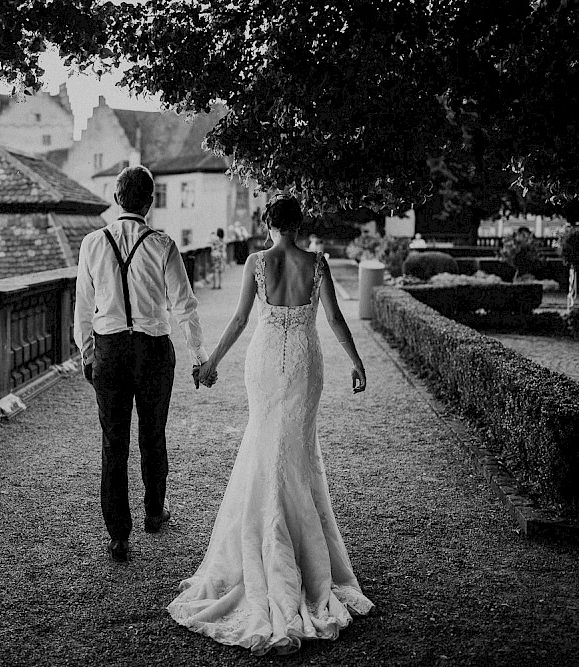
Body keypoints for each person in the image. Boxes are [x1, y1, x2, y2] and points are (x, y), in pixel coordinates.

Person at [167, 194, 373, 655]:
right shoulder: (316, 263)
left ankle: (267, 551)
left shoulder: (257, 263)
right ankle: (305, 562)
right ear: (299, 225)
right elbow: (335, 318)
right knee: (295, 452)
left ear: (267, 224)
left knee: (266, 448)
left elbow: (241, 319)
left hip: (263, 362)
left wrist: (211, 363)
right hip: (304, 362)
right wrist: (356, 362)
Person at [74, 165, 210, 563]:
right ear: (149, 203)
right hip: (152, 350)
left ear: (117, 200)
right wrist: (199, 356)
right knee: (153, 434)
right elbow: (185, 304)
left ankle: (118, 535)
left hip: (110, 350)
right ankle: (154, 512)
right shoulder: (163, 244)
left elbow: (84, 305)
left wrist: (87, 352)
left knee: (113, 443)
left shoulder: (92, 243)